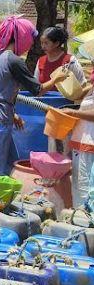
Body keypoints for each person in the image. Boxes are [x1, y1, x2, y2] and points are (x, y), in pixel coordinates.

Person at [0, 15, 67, 175]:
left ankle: (1, 197)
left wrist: (12, 114)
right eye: (30, 39)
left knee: (10, 163)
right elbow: (38, 90)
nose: (31, 43)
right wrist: (56, 78)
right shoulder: (14, 61)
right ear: (21, 37)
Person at [64, 67, 94, 209]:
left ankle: (87, 219)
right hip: (80, 143)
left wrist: (74, 113)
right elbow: (74, 95)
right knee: (78, 184)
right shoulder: (90, 89)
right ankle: (79, 216)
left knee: (87, 186)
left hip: (89, 144)